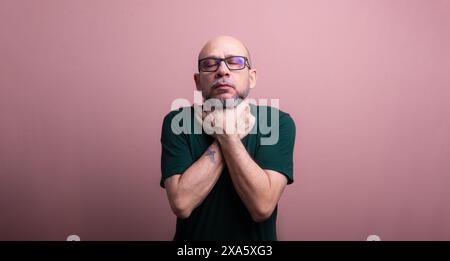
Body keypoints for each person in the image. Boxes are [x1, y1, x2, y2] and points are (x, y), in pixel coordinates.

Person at [160, 35, 296, 240]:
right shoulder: (177, 122)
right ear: (197, 81)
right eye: (209, 64)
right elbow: (181, 203)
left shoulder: (277, 122)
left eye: (235, 62)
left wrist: (227, 136)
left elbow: (262, 206)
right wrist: (226, 135)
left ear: (252, 77)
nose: (222, 71)